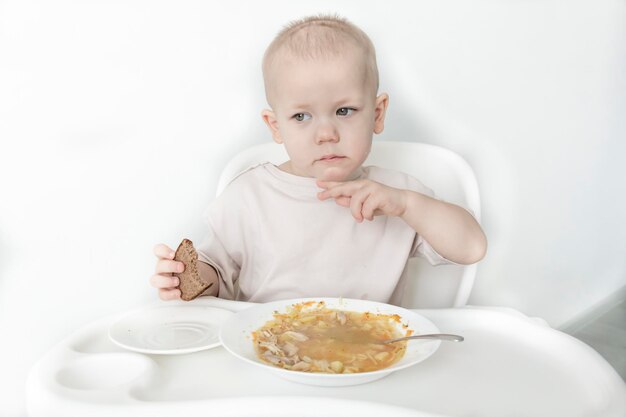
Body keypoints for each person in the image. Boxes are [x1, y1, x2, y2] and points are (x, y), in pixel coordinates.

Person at [150, 14, 487, 304]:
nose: (326, 133)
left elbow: (472, 247)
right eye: (301, 117)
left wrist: (407, 206)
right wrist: (186, 279)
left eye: (345, 111)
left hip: (369, 356)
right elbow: (214, 276)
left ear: (378, 114)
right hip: (270, 353)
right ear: (275, 126)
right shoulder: (249, 197)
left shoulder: (395, 195)